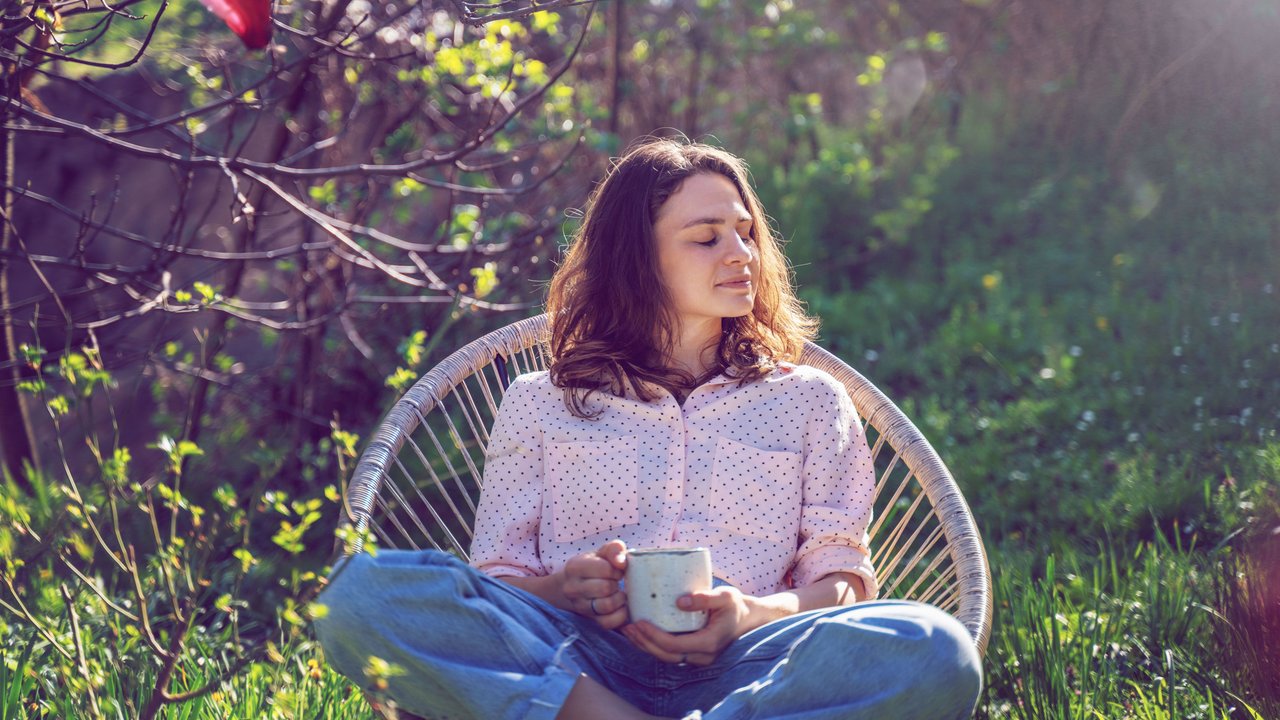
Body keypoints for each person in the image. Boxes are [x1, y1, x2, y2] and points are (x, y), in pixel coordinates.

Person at [315, 138, 983, 719]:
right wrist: (563, 590)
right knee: (357, 595)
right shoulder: (539, 402)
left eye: (745, 232)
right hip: (575, 662)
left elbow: (842, 584)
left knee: (937, 649)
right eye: (706, 237)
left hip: (750, 668)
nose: (740, 253)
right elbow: (497, 586)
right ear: (637, 258)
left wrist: (746, 615)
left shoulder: (811, 401)